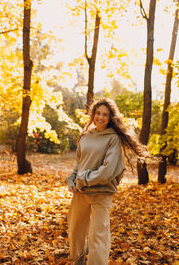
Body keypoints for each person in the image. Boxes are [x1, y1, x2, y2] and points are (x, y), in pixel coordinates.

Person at [65, 98, 147, 265]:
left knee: (98, 235)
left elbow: (108, 171)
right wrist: (72, 180)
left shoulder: (113, 139)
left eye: (105, 115)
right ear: (93, 114)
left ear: (111, 118)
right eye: (98, 113)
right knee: (75, 232)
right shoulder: (85, 136)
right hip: (80, 192)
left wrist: (83, 179)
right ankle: (78, 262)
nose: (100, 117)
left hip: (101, 193)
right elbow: (80, 163)